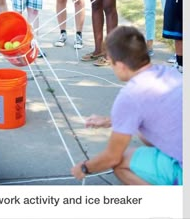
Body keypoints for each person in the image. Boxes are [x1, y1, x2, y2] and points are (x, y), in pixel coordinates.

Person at [71, 25, 182, 185]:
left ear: (121, 65)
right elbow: (155, 112)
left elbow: (112, 157)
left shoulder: (131, 94)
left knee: (120, 163)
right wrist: (110, 121)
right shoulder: (170, 73)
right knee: (142, 132)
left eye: (111, 62)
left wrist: (84, 167)